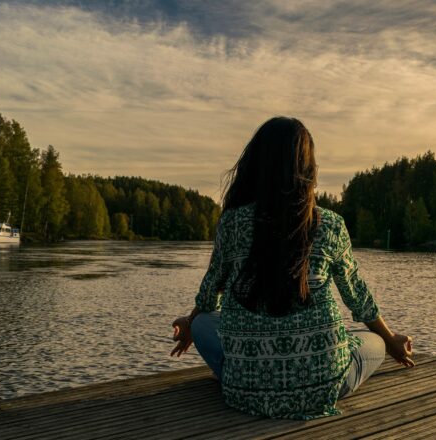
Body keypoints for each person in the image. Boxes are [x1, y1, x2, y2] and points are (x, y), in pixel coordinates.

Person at [169, 117, 414, 420]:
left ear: (256, 165)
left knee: (204, 322)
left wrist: (190, 322)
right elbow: (357, 297)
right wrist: (391, 341)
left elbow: (209, 294)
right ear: (308, 169)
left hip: (244, 392)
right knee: (373, 341)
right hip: (323, 387)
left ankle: (247, 374)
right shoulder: (330, 224)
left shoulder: (232, 223)